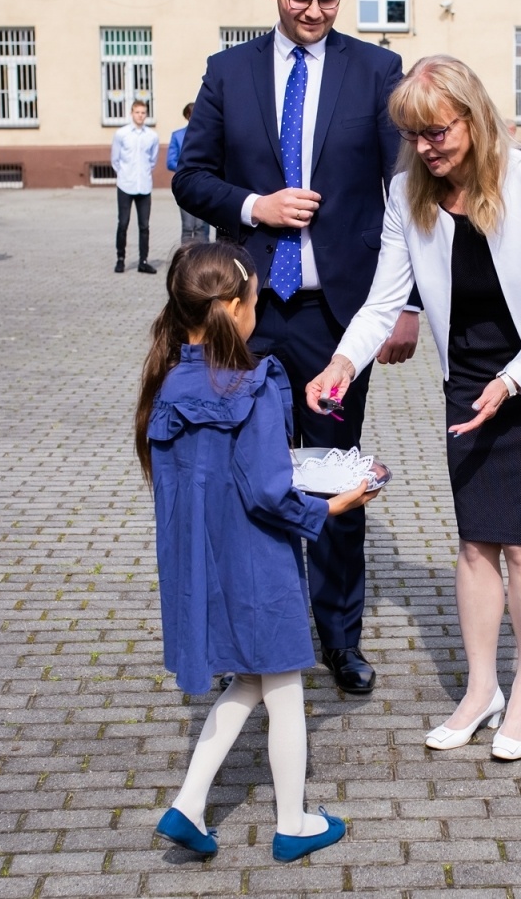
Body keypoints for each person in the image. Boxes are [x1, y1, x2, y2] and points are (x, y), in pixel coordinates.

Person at [305, 55, 521, 761]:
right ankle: (480, 689)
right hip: (467, 369)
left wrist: (514, 380)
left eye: (438, 131)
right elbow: (384, 301)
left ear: (473, 116)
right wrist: (344, 360)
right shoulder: (408, 192)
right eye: (415, 135)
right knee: (473, 539)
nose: (428, 147)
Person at [174, 0, 419, 696]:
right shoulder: (228, 72)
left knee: (334, 482)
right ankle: (244, 635)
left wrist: (404, 306)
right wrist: (256, 204)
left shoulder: (377, 70)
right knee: (242, 474)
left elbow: (407, 196)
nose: (315, 11)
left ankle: (338, 640)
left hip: (333, 321)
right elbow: (191, 178)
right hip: (240, 318)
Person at [136, 241, 374, 861]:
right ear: (240, 308)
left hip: (202, 562)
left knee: (249, 680)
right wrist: (330, 507)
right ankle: (293, 823)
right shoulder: (257, 381)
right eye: (256, 298)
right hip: (257, 557)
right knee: (286, 684)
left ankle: (189, 805)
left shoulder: (165, 382)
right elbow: (269, 489)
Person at [112, 99, 160, 273]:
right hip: (126, 184)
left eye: (143, 112)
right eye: (137, 112)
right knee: (123, 223)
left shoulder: (152, 136)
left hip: (144, 185)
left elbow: (153, 160)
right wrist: (125, 174)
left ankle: (143, 261)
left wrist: (144, 173)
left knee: (144, 226)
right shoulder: (121, 134)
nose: (140, 115)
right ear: (131, 113)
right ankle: (120, 259)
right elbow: (115, 159)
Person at [166, 102, 208, 243]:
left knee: (201, 226)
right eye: (192, 116)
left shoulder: (207, 133)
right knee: (188, 226)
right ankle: (187, 261)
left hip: (204, 184)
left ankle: (203, 261)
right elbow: (171, 161)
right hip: (185, 185)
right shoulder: (177, 135)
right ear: (187, 116)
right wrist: (187, 168)